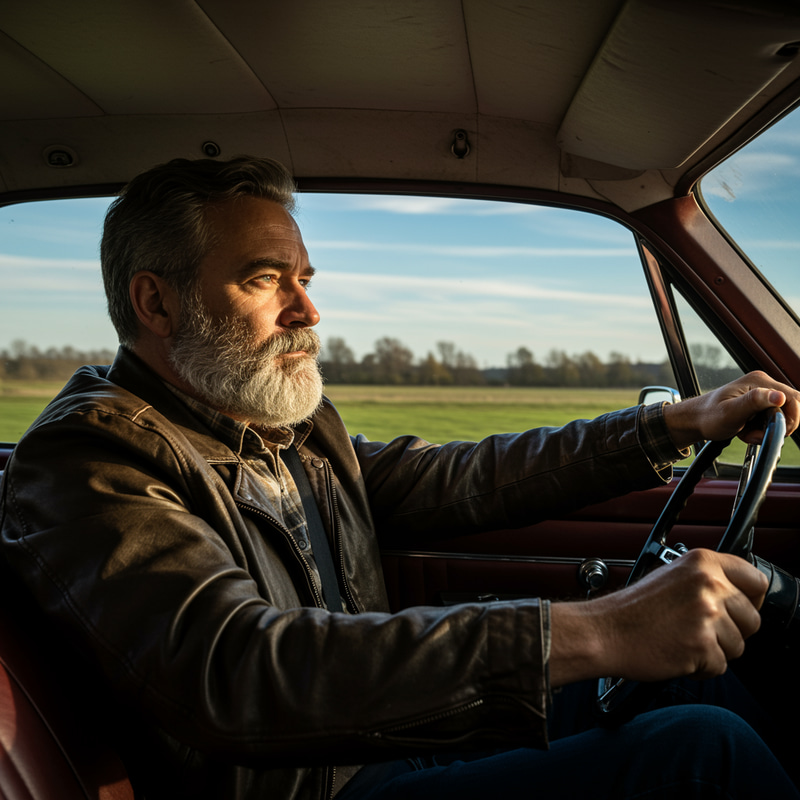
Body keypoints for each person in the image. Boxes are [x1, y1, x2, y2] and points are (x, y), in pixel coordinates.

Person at [0, 155, 798, 800]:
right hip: (313, 788)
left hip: (384, 743)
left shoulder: (281, 427)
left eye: (305, 278)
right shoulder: (88, 460)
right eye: (266, 278)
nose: (307, 310)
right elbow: (235, 671)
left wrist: (671, 424)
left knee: (692, 685)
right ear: (156, 303)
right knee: (704, 752)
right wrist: (602, 629)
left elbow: (462, 478)